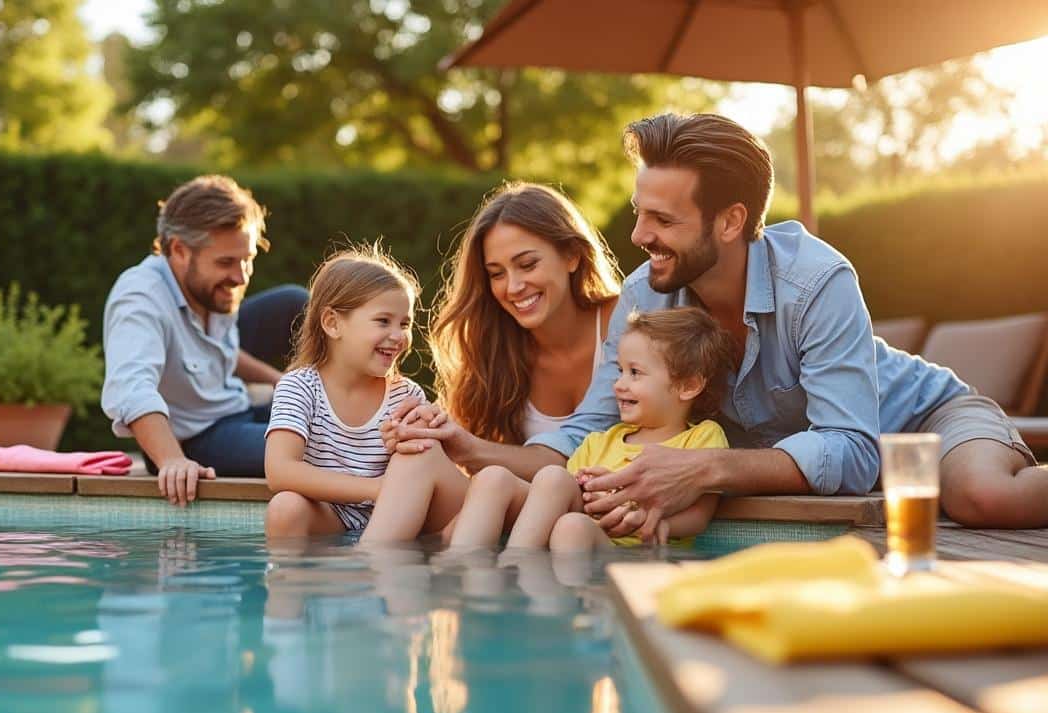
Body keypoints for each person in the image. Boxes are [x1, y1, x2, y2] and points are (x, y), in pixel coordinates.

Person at [563, 112, 1047, 534]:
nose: (638, 235)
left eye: (663, 220)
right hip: (846, 471)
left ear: (730, 222)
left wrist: (704, 467)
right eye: (638, 213)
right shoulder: (646, 293)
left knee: (983, 497)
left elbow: (852, 447)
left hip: (923, 422)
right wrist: (485, 455)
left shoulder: (815, 281)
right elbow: (591, 426)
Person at [372, 182, 626, 530]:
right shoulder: (495, 348)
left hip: (604, 519)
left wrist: (470, 449)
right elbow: (486, 470)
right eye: (496, 274)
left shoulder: (625, 321)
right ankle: (371, 577)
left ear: (571, 255)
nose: (513, 286)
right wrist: (426, 434)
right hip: (531, 518)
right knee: (419, 455)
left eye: (527, 264)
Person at [448, 307, 734, 550]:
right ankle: (464, 575)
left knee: (572, 527)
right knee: (496, 478)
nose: (619, 384)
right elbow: (560, 498)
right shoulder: (600, 442)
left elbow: (700, 516)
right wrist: (590, 494)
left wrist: (648, 518)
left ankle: (518, 571)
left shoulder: (702, 437)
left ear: (688, 385)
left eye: (635, 373)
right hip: (573, 544)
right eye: (620, 370)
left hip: (631, 555)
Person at [101, 175, 307, 506]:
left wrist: (281, 382)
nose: (241, 277)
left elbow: (217, 353)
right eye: (226, 262)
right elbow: (131, 389)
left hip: (236, 406)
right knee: (310, 447)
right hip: (194, 439)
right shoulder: (139, 299)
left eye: (248, 259)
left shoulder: (211, 287)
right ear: (179, 250)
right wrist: (172, 460)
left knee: (296, 303)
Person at [264, 245, 446, 541]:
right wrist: (376, 488)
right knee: (285, 508)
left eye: (405, 324)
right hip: (329, 514)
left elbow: (425, 469)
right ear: (333, 323)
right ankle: (295, 586)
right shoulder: (300, 386)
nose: (398, 336)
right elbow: (280, 470)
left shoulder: (405, 395)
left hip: (393, 520)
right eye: (383, 321)